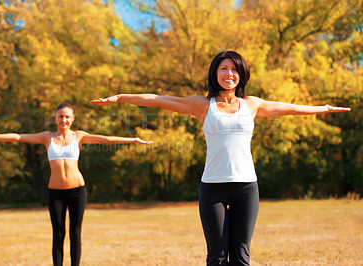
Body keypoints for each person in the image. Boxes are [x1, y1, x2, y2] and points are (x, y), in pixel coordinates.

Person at [90, 50, 351, 266]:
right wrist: (121, 98)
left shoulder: (251, 104)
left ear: (241, 74)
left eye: (234, 69)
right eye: (224, 68)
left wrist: (324, 108)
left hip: (246, 187)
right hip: (212, 187)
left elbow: (291, 109)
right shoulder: (202, 105)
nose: (229, 74)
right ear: (215, 73)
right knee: (216, 258)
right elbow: (159, 99)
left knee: (241, 257)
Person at [0, 102, 152, 266]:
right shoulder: (47, 137)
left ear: (72, 119)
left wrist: (134, 140)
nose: (63, 120)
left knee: (75, 232)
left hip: (77, 192)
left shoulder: (79, 136)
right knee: (58, 234)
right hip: (55, 193)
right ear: (55, 118)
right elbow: (18, 137)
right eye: (60, 116)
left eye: (67, 117)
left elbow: (106, 139)